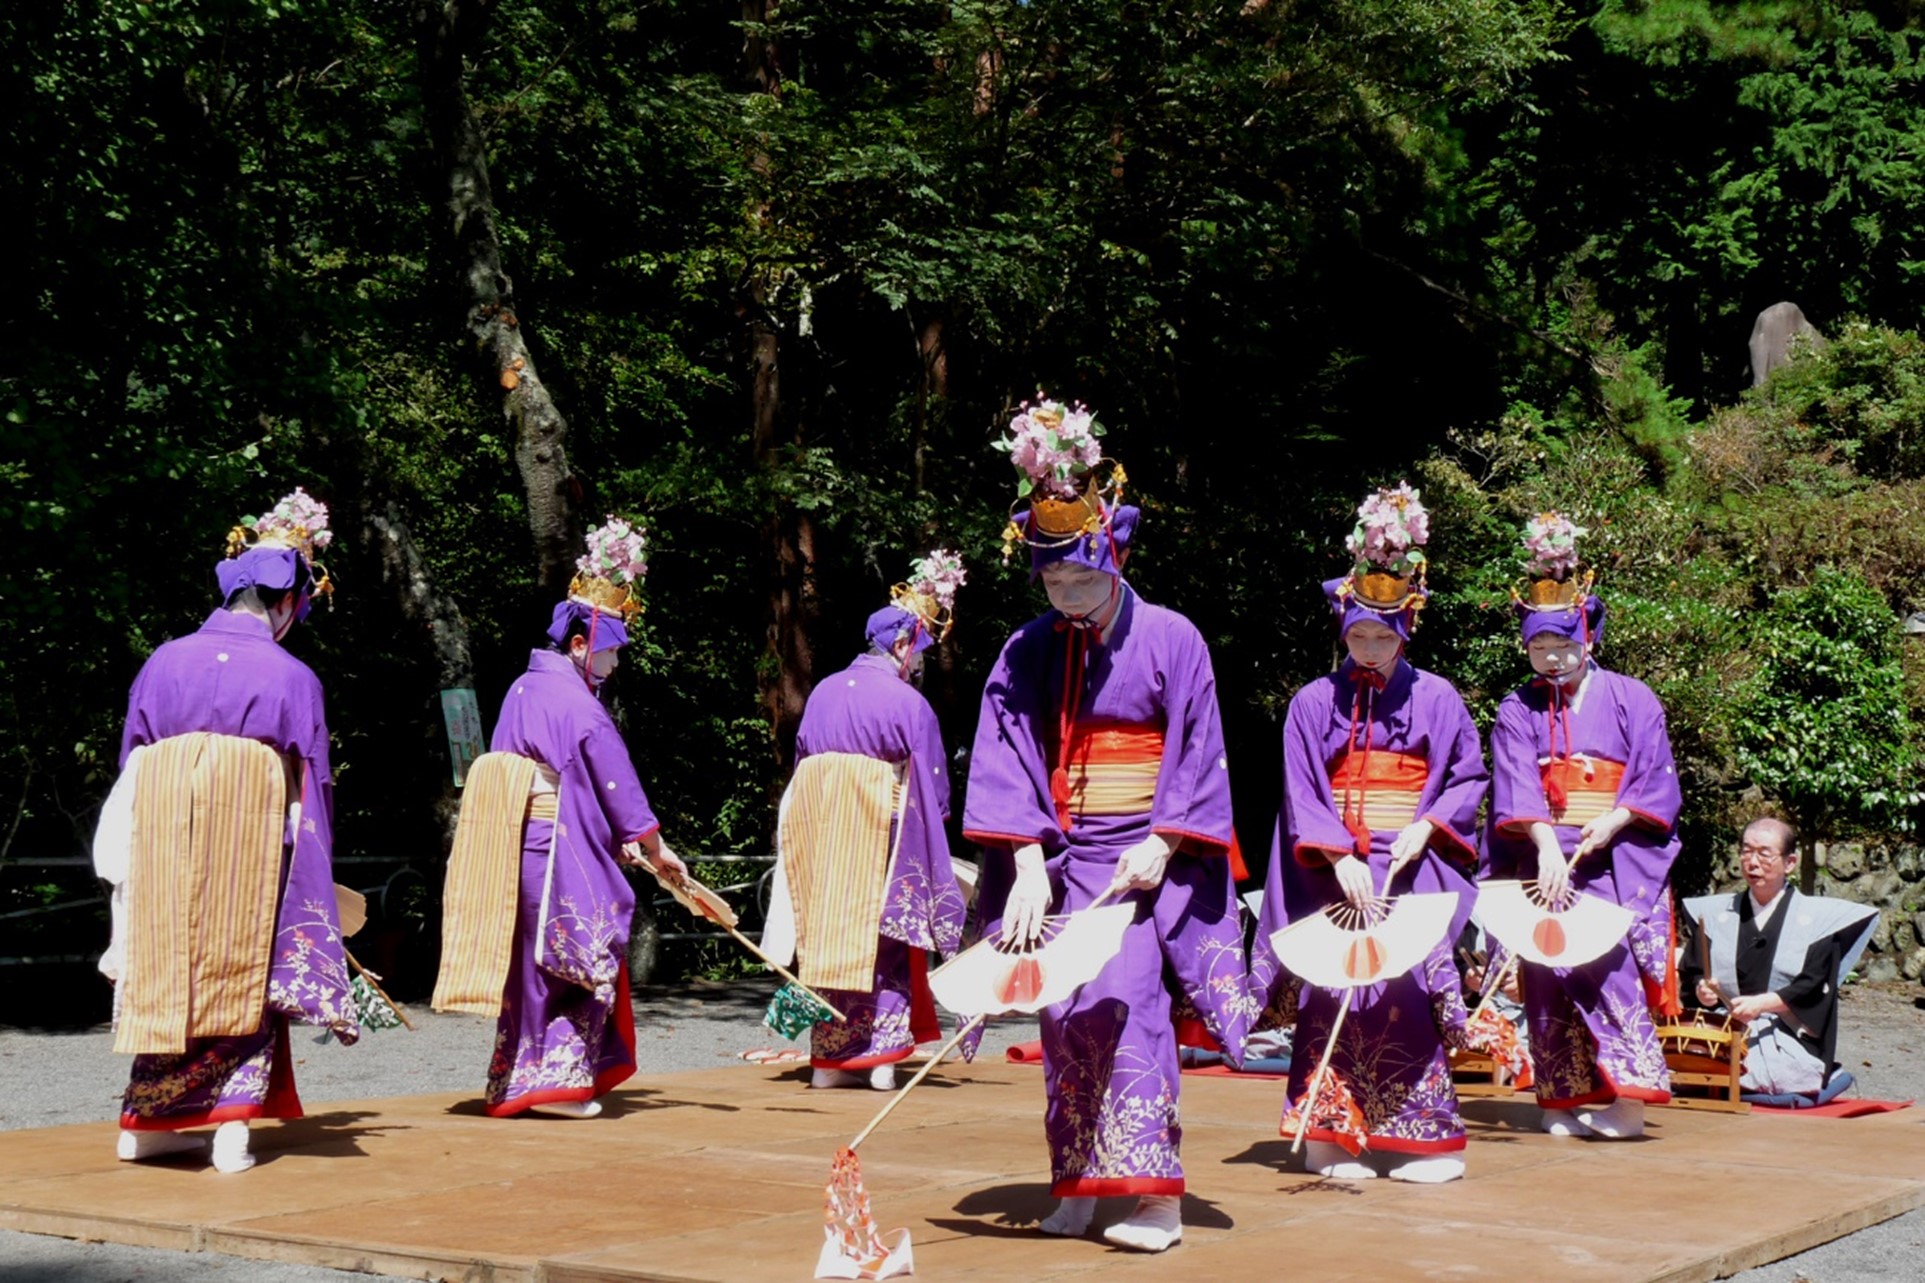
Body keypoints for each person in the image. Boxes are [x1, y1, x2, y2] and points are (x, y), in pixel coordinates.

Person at [963, 399, 1251, 1255]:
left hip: (1140, 853)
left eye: (1081, 580)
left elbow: (1198, 746)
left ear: (1114, 557)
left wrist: (1164, 839)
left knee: (1127, 1006)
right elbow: (1004, 750)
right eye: (1052, 582)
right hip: (1059, 854)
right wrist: (1022, 861)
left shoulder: (1173, 638)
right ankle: (1080, 1182)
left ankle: (1153, 1194)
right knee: (1063, 1015)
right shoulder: (1025, 647)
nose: (1067, 596)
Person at [96, 488, 358, 1174]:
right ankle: (230, 1127)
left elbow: (132, 763)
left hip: (167, 841)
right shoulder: (293, 675)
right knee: (246, 969)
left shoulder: (162, 660)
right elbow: (310, 788)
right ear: (284, 601)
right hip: (254, 846)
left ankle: (146, 1120)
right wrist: (313, 878)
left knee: (171, 964)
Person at [1249, 483, 1489, 1183]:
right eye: (1357, 633)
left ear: (1407, 627)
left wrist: (1429, 824)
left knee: (1402, 995)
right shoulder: (1310, 701)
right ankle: (1328, 1135)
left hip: (1407, 868)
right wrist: (1333, 852)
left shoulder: (1438, 697)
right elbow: (1300, 789)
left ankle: (1419, 1138)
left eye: (1383, 635)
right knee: (1333, 994)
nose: (1369, 647)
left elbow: (1467, 778)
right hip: (1333, 870)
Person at [435, 517, 688, 1118]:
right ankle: (561, 1082)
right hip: (556, 848)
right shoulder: (579, 705)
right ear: (580, 645)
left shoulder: (522, 689)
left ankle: (516, 1081)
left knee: (530, 967)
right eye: (609, 653)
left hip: (520, 842)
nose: (613, 664)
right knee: (574, 958)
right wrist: (654, 848)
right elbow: (615, 787)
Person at [1486, 513, 1676, 1139]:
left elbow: (1654, 777)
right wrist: (1542, 844)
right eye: (1539, 647)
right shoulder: (1517, 707)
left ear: (1588, 637)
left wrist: (1616, 820)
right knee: (1545, 973)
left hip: (1611, 856)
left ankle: (1630, 1099)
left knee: (1609, 968)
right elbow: (1514, 781)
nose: (1552, 657)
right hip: (1547, 855)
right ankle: (1560, 1096)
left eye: (1563, 645)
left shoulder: (1633, 697)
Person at [767, 552, 968, 1090]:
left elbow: (803, 761)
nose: (919, 661)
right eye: (918, 650)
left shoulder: (824, 692)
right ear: (902, 647)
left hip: (823, 836)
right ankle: (879, 1057)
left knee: (830, 935)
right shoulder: (907, 702)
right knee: (887, 939)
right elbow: (931, 785)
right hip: (883, 836)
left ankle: (830, 1060)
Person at [1680, 817, 1878, 1104]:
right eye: (1746, 851)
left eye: (1764, 853)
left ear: (1790, 862)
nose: (1752, 862)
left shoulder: (1819, 921)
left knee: (1771, 1075)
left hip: (1786, 1031)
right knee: (1681, 1062)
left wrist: (1763, 1004)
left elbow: (1814, 985)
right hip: (1723, 1025)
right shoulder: (1713, 914)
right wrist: (1703, 991)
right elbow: (1694, 972)